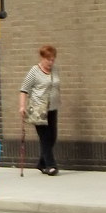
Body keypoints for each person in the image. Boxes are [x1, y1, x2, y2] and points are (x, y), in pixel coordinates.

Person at [18, 44, 61, 176]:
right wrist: (22, 106)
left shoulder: (55, 70)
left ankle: (41, 163)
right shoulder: (34, 71)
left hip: (52, 108)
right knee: (45, 138)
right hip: (38, 109)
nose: (51, 62)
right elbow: (24, 89)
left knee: (53, 136)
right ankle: (50, 165)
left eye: (53, 59)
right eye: (48, 59)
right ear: (42, 58)